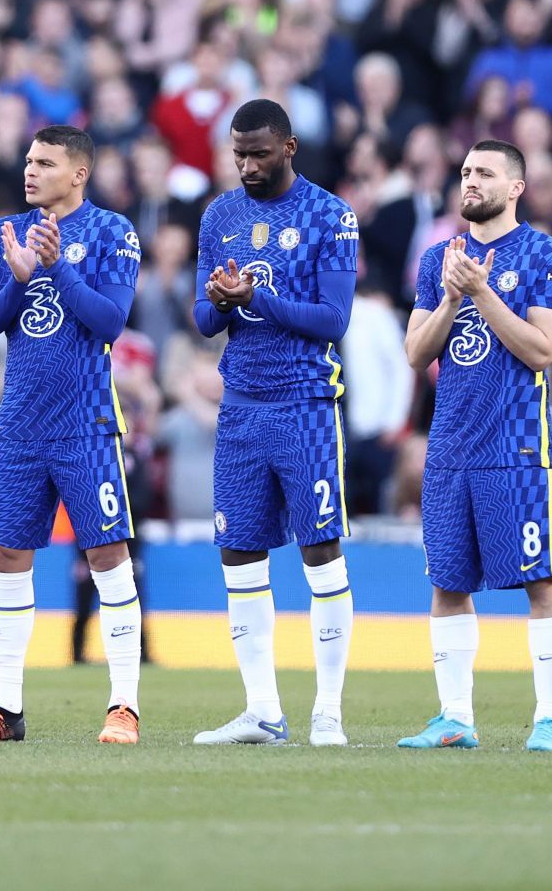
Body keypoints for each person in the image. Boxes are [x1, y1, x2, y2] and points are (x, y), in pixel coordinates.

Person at [0, 126, 145, 745]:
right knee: (7, 555)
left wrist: (58, 270)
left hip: (86, 423)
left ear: (78, 173)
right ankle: (3, 708)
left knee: (107, 557)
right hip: (20, 426)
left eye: (45, 162)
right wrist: (19, 280)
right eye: (28, 160)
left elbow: (110, 322)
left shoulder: (113, 232)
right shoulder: (0, 234)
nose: (29, 171)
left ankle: (124, 707)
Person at [190, 99, 359, 748]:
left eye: (259, 153)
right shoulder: (219, 215)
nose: (247, 165)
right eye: (238, 154)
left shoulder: (330, 215)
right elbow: (205, 324)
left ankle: (328, 711)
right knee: (239, 552)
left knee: (320, 549)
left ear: (289, 148)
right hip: (241, 405)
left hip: (306, 402)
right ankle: (262, 709)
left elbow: (332, 319)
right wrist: (219, 300)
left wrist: (255, 296)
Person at [399, 140, 552, 752]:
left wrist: (481, 292)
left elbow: (540, 350)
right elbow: (418, 354)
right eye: (467, 170)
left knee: (540, 583)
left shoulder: (545, 254)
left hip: (516, 448)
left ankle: (548, 719)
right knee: (448, 583)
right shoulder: (438, 258)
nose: (471, 181)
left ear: (516, 187)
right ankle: (455, 718)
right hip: (450, 446)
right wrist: (450, 295)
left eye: (485, 173)